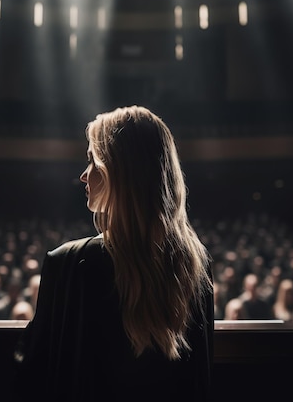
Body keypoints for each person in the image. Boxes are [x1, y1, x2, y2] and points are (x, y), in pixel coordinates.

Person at [14, 106, 214, 402]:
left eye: (92, 161)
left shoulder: (70, 263)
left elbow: (34, 374)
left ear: (118, 172)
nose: (84, 176)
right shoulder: (196, 262)